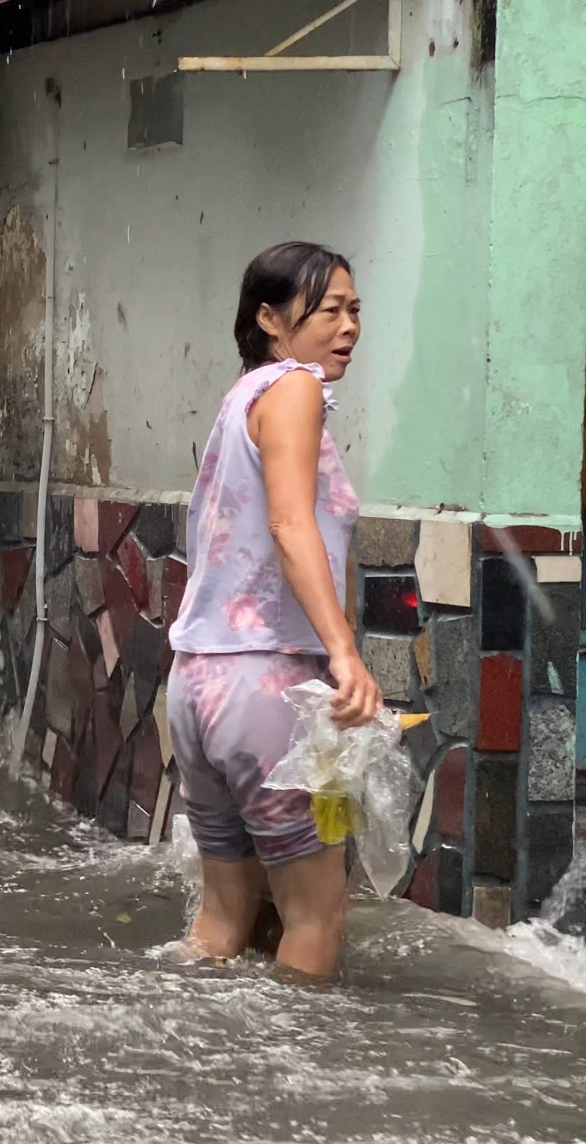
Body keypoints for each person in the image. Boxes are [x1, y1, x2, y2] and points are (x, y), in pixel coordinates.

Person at [167, 242, 382, 980]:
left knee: (225, 919)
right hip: (269, 690)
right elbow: (292, 526)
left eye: (354, 310)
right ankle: (294, 1094)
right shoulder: (293, 388)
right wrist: (344, 652)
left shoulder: (242, 398)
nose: (348, 327)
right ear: (269, 318)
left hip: (197, 685)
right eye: (328, 310)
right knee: (315, 916)